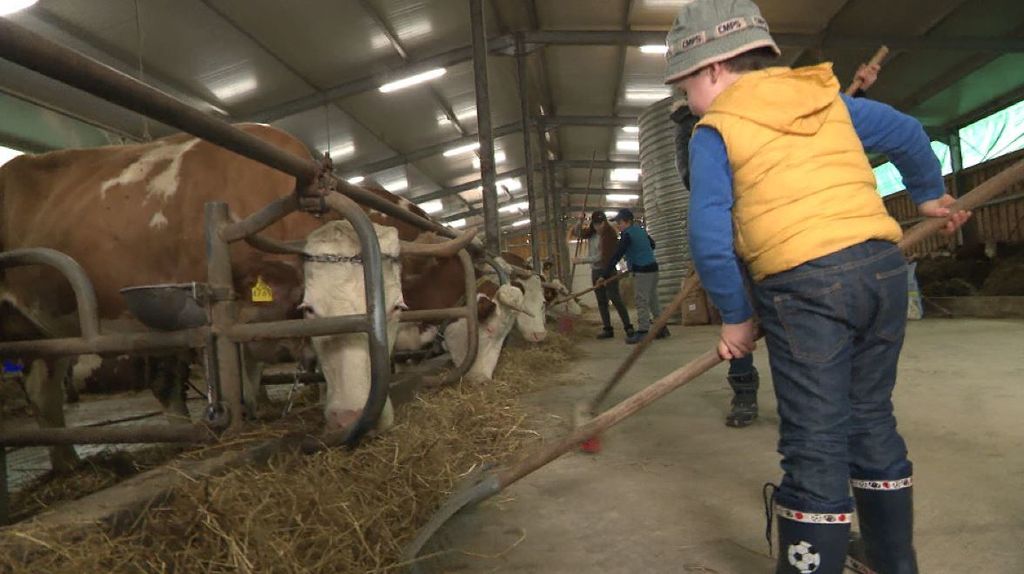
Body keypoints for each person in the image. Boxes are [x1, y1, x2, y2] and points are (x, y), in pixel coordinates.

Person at [664, 1, 970, 572]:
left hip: (805, 286)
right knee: (870, 415)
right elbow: (905, 132)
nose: (687, 103)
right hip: (881, 273)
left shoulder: (715, 130)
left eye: (684, 90)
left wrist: (734, 316)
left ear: (712, 69)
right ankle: (889, 559)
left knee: (814, 438)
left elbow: (708, 237)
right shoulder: (825, 99)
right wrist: (928, 193)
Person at [667, 54, 884, 430]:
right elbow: (697, 186)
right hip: (742, 238)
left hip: (790, 236)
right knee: (741, 318)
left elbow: (815, 131)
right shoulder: (700, 132)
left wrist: (856, 96)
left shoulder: (762, 107)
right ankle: (745, 391)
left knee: (804, 330)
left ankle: (818, 410)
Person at [602, 209, 669, 344]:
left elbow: (617, 255)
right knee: (653, 299)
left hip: (643, 271)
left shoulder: (626, 235)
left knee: (641, 300)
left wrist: (604, 275)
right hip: (653, 268)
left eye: (619, 223)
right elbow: (652, 244)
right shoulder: (640, 230)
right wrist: (639, 252)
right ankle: (662, 329)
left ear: (627, 221)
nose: (618, 225)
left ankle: (643, 332)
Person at [570, 210, 635, 340]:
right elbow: (577, 233)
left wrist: (582, 260)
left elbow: (602, 256)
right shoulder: (591, 233)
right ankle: (607, 329)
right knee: (601, 301)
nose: (599, 227)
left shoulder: (610, 234)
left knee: (615, 297)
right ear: (592, 224)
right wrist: (580, 220)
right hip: (596, 271)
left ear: (604, 222)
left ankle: (628, 326)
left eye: (601, 223)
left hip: (608, 269)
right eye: (596, 224)